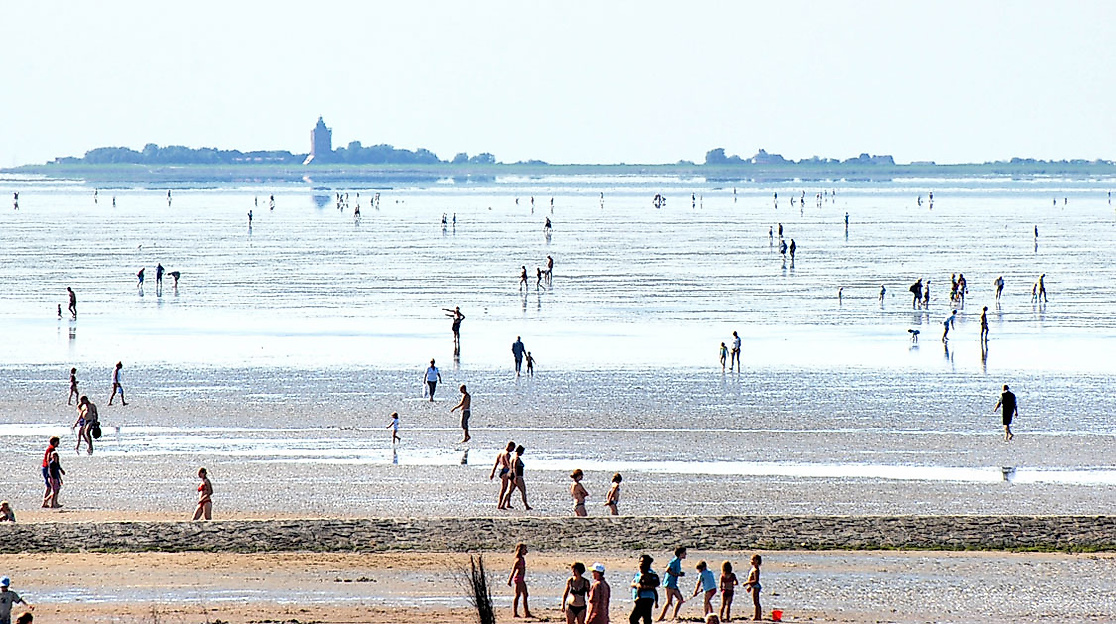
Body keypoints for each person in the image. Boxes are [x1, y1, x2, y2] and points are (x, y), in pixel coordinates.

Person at [658, 547, 686, 621]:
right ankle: (661, 617)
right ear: (680, 554)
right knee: (669, 601)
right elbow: (667, 569)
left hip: (674, 584)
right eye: (684, 553)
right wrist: (675, 574)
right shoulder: (674, 561)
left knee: (680, 599)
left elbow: (675, 571)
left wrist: (679, 574)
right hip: (669, 583)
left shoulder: (678, 561)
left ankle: (674, 616)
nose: (685, 554)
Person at [501, 445, 532, 510]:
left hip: (512, 475)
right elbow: (515, 468)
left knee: (509, 491)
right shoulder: (516, 458)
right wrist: (515, 477)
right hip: (518, 476)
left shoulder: (512, 457)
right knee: (523, 491)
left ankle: (503, 504)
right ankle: (526, 505)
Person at [630, 554, 659, 624]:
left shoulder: (651, 573)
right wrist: (637, 585)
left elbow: (656, 584)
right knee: (646, 618)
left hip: (645, 598)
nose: (641, 563)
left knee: (633, 618)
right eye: (640, 561)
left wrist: (646, 586)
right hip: (640, 598)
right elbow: (632, 583)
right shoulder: (638, 573)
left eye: (643, 562)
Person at [507, 543, 533, 618]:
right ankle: (519, 613)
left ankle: (525, 612)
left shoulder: (522, 559)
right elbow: (513, 571)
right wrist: (509, 580)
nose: (526, 551)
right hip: (519, 579)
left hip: (521, 579)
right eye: (524, 549)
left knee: (523, 595)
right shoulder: (518, 560)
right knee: (521, 595)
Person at [489, 441, 517, 509]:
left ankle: (508, 503)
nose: (513, 450)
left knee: (510, 487)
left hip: (501, 470)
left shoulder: (500, 453)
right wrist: (513, 471)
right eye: (512, 448)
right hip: (505, 471)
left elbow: (496, 463)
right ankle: (499, 504)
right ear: (510, 446)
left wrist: (492, 473)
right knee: (504, 488)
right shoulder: (507, 454)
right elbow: (508, 464)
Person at [39, 437, 59, 508]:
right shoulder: (51, 449)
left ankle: (46, 502)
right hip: (48, 468)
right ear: (54, 442)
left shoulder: (50, 449)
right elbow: (48, 459)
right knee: (51, 486)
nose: (58, 444)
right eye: (57, 442)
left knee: (49, 486)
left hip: (46, 467)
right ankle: (49, 502)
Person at [743, 555, 762, 621]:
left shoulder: (756, 570)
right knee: (755, 602)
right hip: (753, 586)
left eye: (753, 560)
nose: (751, 561)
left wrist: (747, 583)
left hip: (756, 587)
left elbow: (755, 580)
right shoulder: (753, 568)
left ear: (757, 561)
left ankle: (758, 616)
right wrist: (749, 586)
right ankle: (757, 615)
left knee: (756, 602)